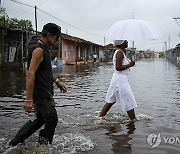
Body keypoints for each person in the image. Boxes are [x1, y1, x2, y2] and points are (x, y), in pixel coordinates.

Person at [9, 23, 67, 146]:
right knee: (52, 118)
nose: (57, 40)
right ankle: (43, 147)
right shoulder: (39, 50)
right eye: (57, 37)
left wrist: (57, 82)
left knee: (41, 119)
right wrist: (28, 99)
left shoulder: (44, 49)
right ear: (49, 35)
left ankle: (15, 142)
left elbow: (46, 72)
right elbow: (30, 73)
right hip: (41, 92)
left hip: (43, 91)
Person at [99, 40, 137, 121]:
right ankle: (133, 120)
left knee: (111, 100)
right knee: (128, 99)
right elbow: (118, 67)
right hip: (120, 80)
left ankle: (99, 118)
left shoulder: (121, 52)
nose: (127, 42)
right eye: (125, 41)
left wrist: (129, 64)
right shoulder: (119, 52)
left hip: (118, 79)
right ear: (121, 43)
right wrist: (130, 65)